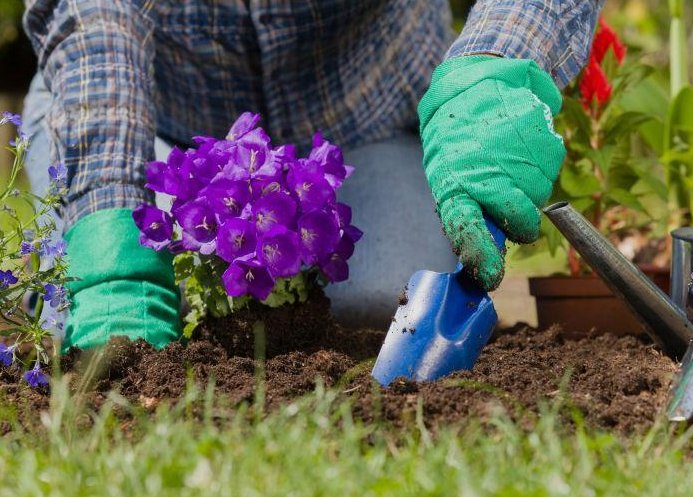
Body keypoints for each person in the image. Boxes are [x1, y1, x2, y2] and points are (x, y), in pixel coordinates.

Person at [21, 0, 604, 350]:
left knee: (383, 306)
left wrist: (497, 60)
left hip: (365, 109)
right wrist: (108, 223)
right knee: (79, 316)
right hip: (160, 120)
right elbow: (94, 15)